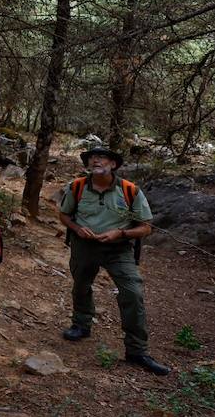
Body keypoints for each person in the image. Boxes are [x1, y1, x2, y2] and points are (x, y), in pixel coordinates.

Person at [56, 146, 170, 375]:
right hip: (84, 246)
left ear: (114, 164)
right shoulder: (77, 187)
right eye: (91, 158)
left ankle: (137, 350)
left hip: (118, 249)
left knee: (133, 292)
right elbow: (64, 215)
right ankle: (81, 324)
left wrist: (121, 233)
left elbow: (146, 227)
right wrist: (77, 229)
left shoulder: (130, 191)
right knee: (81, 285)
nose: (95, 161)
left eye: (101, 157)